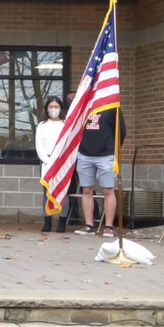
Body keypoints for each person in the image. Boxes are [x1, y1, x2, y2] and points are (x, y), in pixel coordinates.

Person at [74, 108, 127, 238]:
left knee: (108, 190)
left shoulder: (112, 104)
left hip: (106, 155)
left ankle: (108, 227)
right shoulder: (85, 103)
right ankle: (89, 225)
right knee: (86, 190)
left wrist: (113, 149)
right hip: (84, 154)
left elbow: (121, 131)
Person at [35, 96, 69, 233]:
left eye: (56, 106)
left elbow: (68, 144)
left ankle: (62, 222)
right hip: (46, 162)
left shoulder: (65, 124)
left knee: (63, 191)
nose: (54, 109)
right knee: (46, 191)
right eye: (51, 107)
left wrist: (59, 160)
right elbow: (39, 145)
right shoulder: (42, 125)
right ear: (47, 109)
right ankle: (47, 221)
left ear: (60, 108)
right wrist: (47, 161)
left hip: (62, 162)